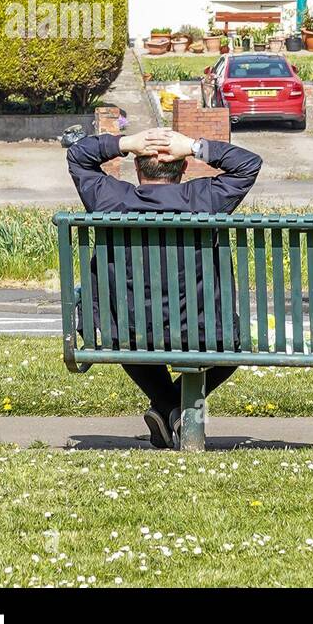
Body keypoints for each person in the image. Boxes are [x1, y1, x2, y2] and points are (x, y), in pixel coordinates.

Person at [67, 127, 263, 448]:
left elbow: (78, 156)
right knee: (233, 347)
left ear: (136, 167)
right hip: (202, 330)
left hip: (127, 332)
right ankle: (173, 410)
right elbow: (248, 164)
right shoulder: (204, 199)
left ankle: (167, 406)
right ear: (183, 166)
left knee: (127, 337)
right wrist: (195, 146)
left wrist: (125, 143)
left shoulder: (112, 199)